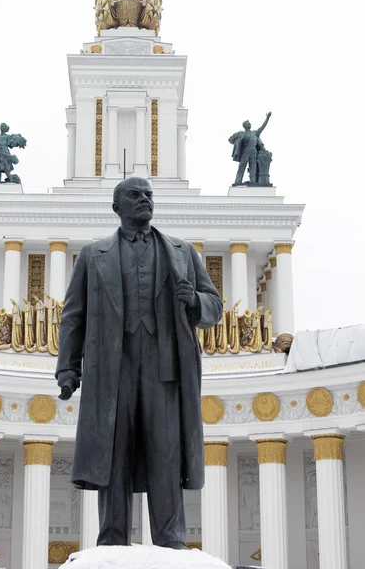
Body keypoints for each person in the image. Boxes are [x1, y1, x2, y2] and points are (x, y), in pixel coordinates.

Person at [56, 176, 222, 549]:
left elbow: (215, 307)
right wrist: (68, 369)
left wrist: (195, 299)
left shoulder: (182, 251)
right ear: (117, 207)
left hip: (166, 369)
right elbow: (73, 316)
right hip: (112, 369)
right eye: (135, 195)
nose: (145, 200)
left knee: (166, 452)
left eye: (149, 195)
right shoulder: (92, 254)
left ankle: (171, 541)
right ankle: (111, 542)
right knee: (113, 454)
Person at [229, 112, 272, 185]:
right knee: (242, 165)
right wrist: (238, 139)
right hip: (246, 150)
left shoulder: (254, 133)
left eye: (249, 123)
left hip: (253, 150)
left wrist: (267, 118)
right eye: (248, 123)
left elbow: (262, 128)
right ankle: (238, 181)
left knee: (253, 166)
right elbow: (230, 140)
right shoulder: (241, 133)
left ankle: (253, 181)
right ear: (245, 126)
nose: (250, 124)